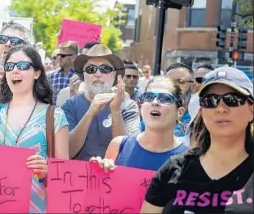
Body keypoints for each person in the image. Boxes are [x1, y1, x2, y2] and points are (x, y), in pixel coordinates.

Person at [141, 66, 253, 213]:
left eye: (232, 100)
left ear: (251, 110)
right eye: (210, 101)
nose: (220, 108)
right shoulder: (173, 169)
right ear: (201, 111)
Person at [0, 45, 69, 213]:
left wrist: (48, 170)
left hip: (37, 208)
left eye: (22, 66)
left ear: (37, 73)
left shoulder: (55, 116)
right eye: (9, 66)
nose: (15, 71)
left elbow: (65, 174)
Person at [90, 76, 188, 172]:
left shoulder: (189, 158)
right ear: (141, 107)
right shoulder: (119, 145)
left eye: (165, 98)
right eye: (148, 97)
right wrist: (101, 170)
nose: (155, 102)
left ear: (179, 113)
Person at [62, 44, 140, 161]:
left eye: (105, 69)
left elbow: (129, 155)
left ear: (115, 75)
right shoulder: (69, 105)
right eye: (91, 69)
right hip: (77, 176)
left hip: (114, 176)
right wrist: (90, 114)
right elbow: (66, 152)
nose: (98, 74)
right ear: (83, 74)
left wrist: (116, 112)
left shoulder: (128, 106)